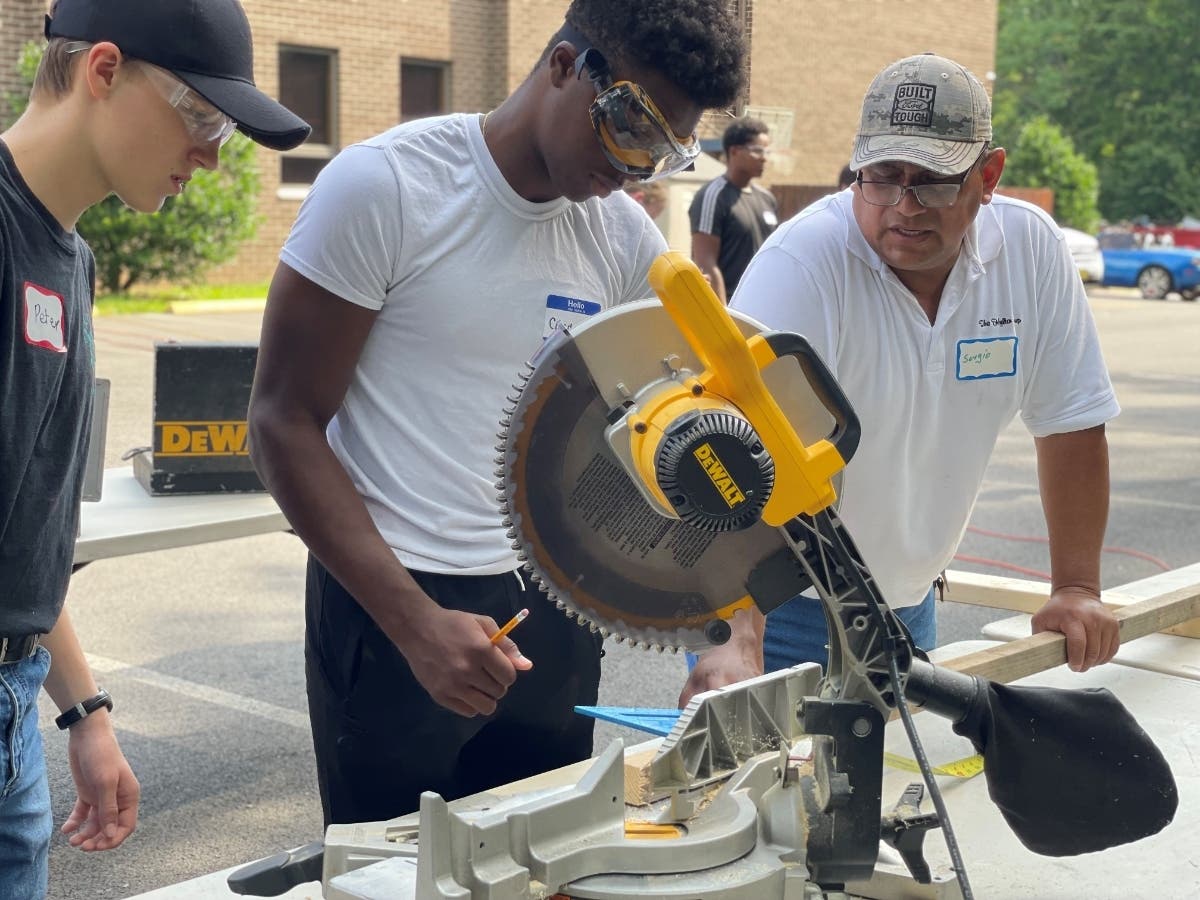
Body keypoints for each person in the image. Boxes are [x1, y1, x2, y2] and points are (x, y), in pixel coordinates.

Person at [247, 0, 746, 827]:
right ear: (562, 66)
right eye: (629, 128)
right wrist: (412, 623)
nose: (634, 169)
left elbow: (706, 431)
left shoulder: (621, 240)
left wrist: (729, 635)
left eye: (663, 151)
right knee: (391, 873)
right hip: (392, 599)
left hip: (553, 603)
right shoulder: (387, 187)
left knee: (539, 864)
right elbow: (281, 421)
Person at [682, 53, 1121, 702]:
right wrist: (735, 639)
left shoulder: (1031, 254)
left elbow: (1072, 424)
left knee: (894, 796)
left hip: (909, 605)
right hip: (781, 602)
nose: (904, 206)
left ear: (989, 175)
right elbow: (731, 453)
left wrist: (1077, 588)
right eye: (883, 177)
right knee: (760, 799)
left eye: (934, 182)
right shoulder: (805, 267)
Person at [0, 0, 308, 894]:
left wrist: (84, 712)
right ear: (103, 71)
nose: (212, 153)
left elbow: (24, 532)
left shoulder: (70, 261)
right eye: (204, 117)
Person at [688, 116, 779, 302]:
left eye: (766, 152)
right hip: (730, 308)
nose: (764, 158)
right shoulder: (713, 197)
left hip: (761, 307)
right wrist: (723, 317)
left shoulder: (767, 199)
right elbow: (706, 262)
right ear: (735, 151)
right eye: (757, 151)